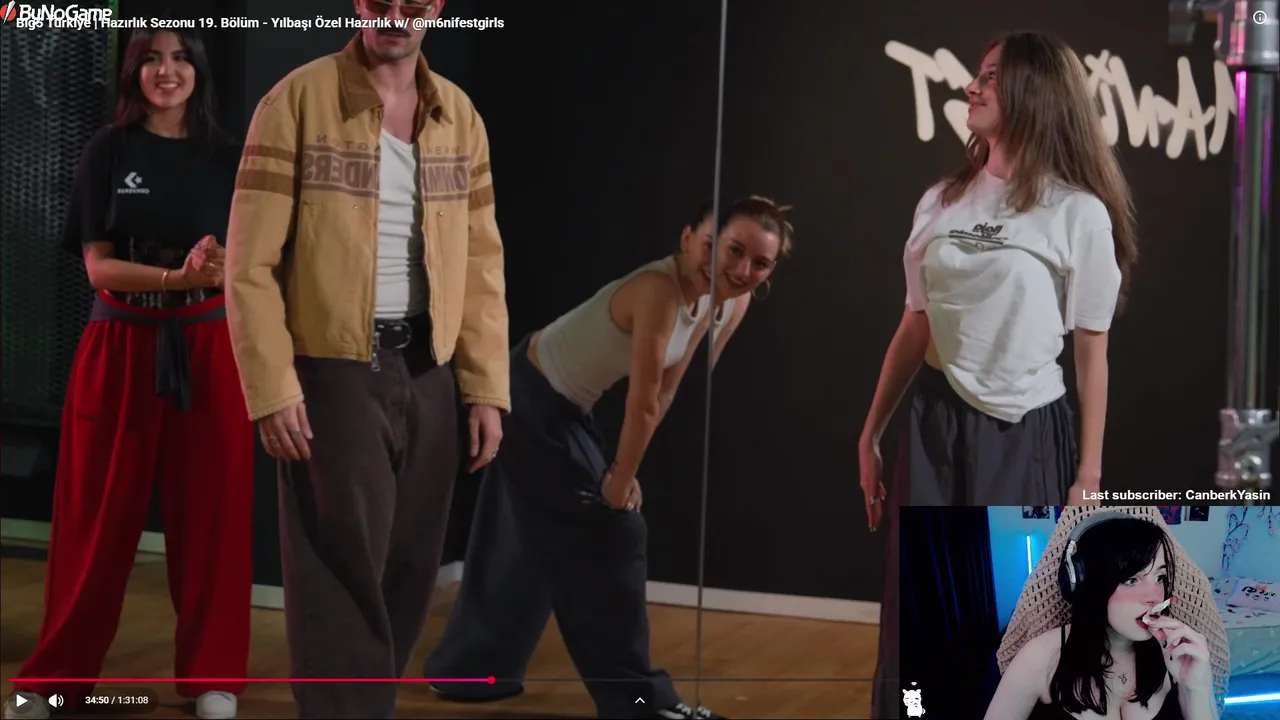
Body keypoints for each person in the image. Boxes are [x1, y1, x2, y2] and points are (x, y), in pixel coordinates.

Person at [222, 0, 508, 717]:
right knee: (337, 571)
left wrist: (485, 388)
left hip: (430, 368)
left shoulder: (459, 115)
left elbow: (482, 263)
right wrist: (273, 386)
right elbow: (249, 264)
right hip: (334, 370)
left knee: (409, 569)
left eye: (412, 5)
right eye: (381, 2)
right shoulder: (296, 100)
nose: (395, 17)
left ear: (435, 9)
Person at [424, 196, 793, 720]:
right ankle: (640, 703)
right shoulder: (658, 290)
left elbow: (668, 390)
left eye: (760, 263)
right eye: (728, 249)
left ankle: (470, 671)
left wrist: (623, 469)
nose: (740, 269)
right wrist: (619, 478)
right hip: (528, 397)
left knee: (527, 539)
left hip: (561, 404)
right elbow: (642, 402)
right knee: (615, 533)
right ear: (688, 239)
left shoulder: (729, 301)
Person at [3, 28, 250, 720]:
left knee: (214, 516)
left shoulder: (229, 156)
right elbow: (97, 267)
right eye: (152, 60)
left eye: (180, 59)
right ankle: (55, 681)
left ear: (199, 71)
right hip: (120, 340)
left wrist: (219, 268)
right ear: (132, 74)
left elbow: (253, 258)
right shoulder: (107, 150)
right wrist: (177, 276)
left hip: (209, 345)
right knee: (94, 518)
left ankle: (213, 679)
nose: (167, 72)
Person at [857, 31, 1138, 512]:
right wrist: (871, 436)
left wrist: (1088, 476)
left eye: (991, 77)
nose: (972, 87)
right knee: (930, 566)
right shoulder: (939, 202)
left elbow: (1092, 354)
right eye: (978, 75)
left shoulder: (1079, 212)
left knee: (1006, 566)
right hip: (933, 426)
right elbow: (916, 324)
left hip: (1021, 433)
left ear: (1034, 92)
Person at [986, 507, 1229, 720]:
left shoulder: (1179, 654)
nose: (1155, 596)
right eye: (1131, 579)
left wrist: (1195, 689)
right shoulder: (1039, 658)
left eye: (1160, 578)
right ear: (1088, 584)